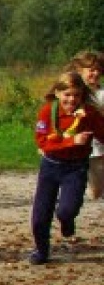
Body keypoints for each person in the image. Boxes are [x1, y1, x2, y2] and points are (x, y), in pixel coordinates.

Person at [28, 71, 102, 265]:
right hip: (50, 166)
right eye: (67, 95)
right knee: (40, 214)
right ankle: (42, 251)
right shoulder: (48, 111)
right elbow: (42, 141)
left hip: (75, 168)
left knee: (67, 210)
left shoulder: (89, 113)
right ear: (58, 93)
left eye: (76, 95)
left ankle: (67, 222)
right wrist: (71, 141)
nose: (72, 100)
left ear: (82, 95)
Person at [69, 50, 103, 200]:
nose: (95, 73)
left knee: (96, 191)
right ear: (79, 71)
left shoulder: (102, 94)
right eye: (91, 70)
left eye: (98, 70)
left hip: (97, 149)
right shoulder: (71, 93)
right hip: (74, 147)